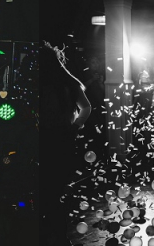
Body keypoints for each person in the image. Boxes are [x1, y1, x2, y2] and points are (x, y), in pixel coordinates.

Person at [39, 43, 91, 246]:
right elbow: (86, 108)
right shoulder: (68, 83)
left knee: (50, 190)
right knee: (55, 191)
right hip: (62, 139)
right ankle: (59, 236)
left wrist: (74, 128)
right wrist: (75, 126)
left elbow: (86, 107)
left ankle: (52, 235)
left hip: (54, 139)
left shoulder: (57, 85)